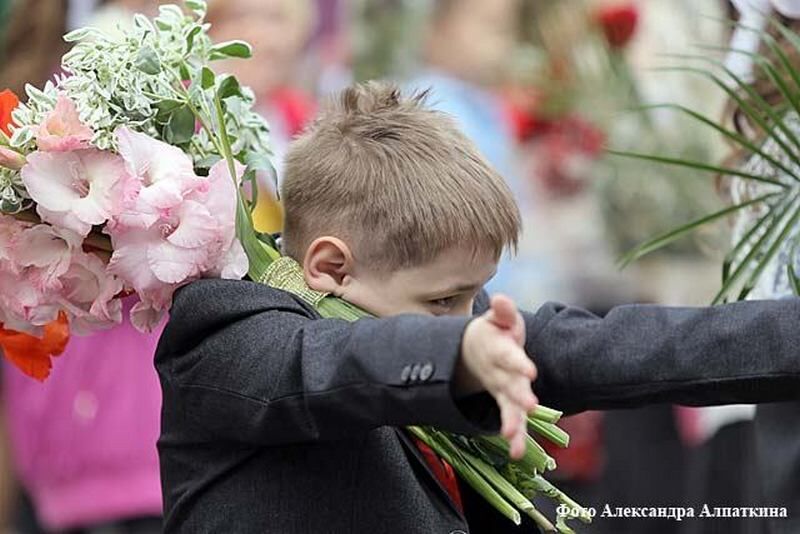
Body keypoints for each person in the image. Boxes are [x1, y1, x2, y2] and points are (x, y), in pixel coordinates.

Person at [155, 83, 800, 533]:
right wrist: (459, 353)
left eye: (473, 294)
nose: (467, 316)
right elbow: (334, 362)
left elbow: (626, 348)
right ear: (331, 268)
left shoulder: (459, 324)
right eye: (442, 300)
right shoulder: (228, 336)